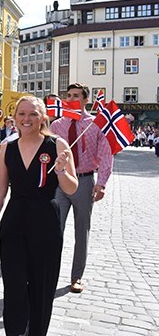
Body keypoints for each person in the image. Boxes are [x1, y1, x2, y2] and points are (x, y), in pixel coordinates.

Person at [0, 96, 78, 336]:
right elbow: (0, 187)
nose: (26, 119)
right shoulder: (7, 147)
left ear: (43, 118)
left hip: (46, 221)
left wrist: (61, 170)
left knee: (41, 286)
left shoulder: (57, 145)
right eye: (22, 114)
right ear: (14, 118)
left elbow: (71, 188)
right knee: (14, 285)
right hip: (14, 219)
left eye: (33, 114)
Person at [49, 83, 113, 294]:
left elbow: (106, 154)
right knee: (53, 229)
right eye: (68, 96)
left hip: (84, 181)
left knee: (81, 231)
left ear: (86, 100)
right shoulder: (58, 125)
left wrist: (101, 183)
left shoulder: (95, 124)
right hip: (61, 181)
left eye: (76, 96)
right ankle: (48, 273)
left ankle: (76, 276)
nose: (71, 99)